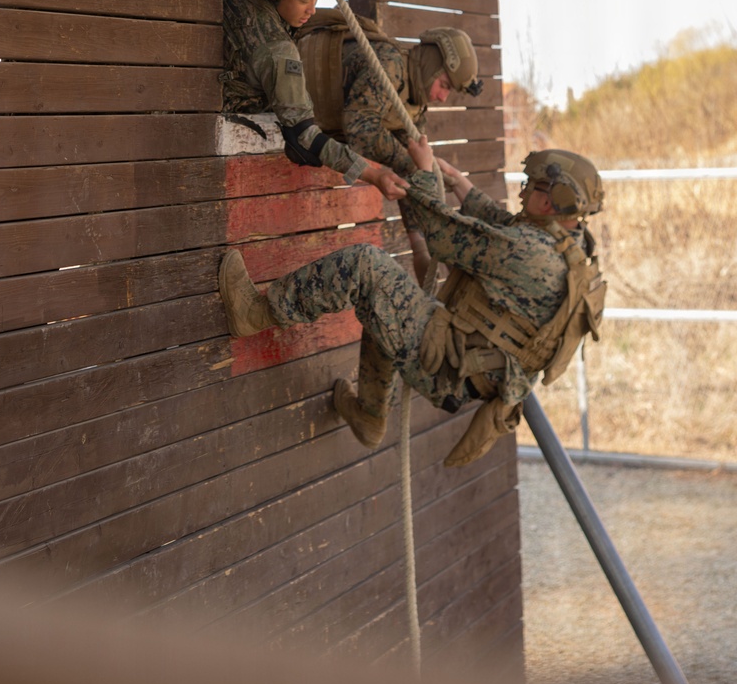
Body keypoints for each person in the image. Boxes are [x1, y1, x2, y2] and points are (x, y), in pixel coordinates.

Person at [218, 141, 605, 467]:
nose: (523, 191)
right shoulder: (566, 251)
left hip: (450, 366)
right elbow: (503, 227)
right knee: (386, 306)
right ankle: (370, 416)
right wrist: (458, 184)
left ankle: (256, 313)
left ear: (557, 200)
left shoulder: (531, 254)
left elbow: (440, 235)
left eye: (532, 185)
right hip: (470, 369)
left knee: (367, 268)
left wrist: (423, 174)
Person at [297, 9, 482, 282]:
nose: (442, 97)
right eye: (443, 85)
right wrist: (413, 163)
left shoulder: (415, 108)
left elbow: (412, 173)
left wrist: (418, 247)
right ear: (431, 65)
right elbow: (361, 129)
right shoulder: (390, 65)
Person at [221, 0, 407, 201]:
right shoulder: (277, 51)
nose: (313, 9)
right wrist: (374, 176)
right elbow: (304, 138)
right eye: (303, 0)